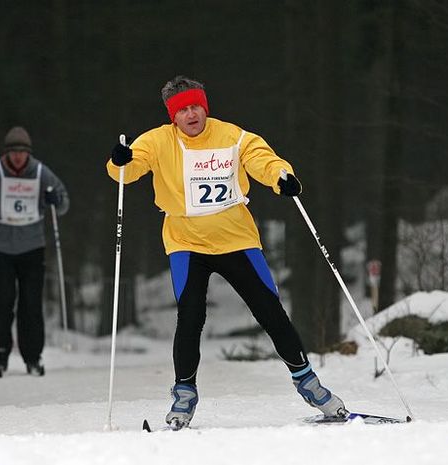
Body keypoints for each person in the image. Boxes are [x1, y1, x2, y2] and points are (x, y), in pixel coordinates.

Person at [106, 76, 347, 428]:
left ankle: (308, 383)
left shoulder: (232, 135)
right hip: (186, 242)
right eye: (183, 109)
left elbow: (262, 158)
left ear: (205, 107)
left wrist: (281, 175)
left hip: (236, 239)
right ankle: (184, 394)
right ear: (173, 116)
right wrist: (120, 160)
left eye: (196, 107)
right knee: (190, 317)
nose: (191, 115)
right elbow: (128, 170)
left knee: (270, 310)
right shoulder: (158, 140)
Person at [0, 126, 69, 377]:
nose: (19, 157)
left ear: (28, 153)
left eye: (23, 152)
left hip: (32, 247)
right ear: (7, 153)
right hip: (0, 248)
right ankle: (1, 352)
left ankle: (33, 357)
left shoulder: (41, 172)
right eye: (14, 152)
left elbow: (63, 199)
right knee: (3, 301)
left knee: (31, 303)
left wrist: (55, 200)